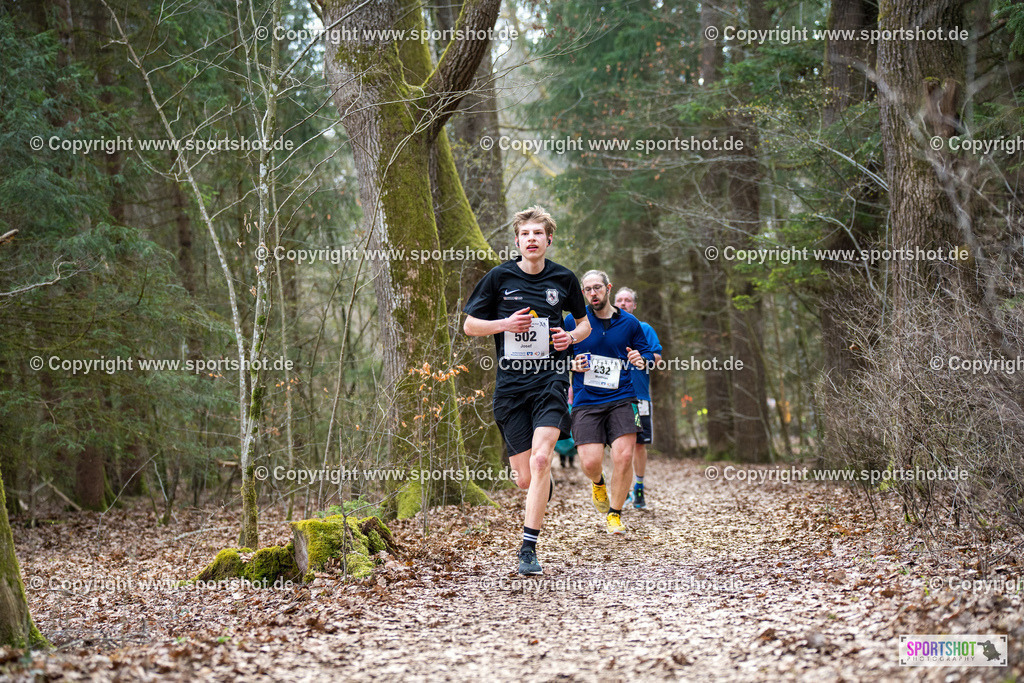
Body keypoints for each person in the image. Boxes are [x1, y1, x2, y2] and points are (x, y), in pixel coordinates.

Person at [463, 206, 591, 575]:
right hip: (510, 387)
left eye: (538, 233)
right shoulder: (498, 278)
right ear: (517, 240)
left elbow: (583, 325)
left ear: (549, 240)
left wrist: (569, 336)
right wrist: (505, 324)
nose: (531, 239)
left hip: (550, 378)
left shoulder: (564, 279)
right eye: (525, 234)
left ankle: (528, 549)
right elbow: (471, 326)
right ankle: (539, 485)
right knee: (524, 477)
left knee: (540, 461)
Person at [564, 271, 653, 534]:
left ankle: (615, 513)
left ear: (608, 288)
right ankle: (598, 483)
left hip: (622, 398)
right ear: (583, 293)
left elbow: (646, 352)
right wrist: (571, 364)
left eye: (598, 288)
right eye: (588, 289)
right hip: (586, 400)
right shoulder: (574, 321)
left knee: (624, 456)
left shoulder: (629, 322)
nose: (593, 293)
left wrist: (640, 358)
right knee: (590, 463)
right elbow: (557, 356)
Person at [613, 287, 662, 510]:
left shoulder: (644, 329)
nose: (623, 303)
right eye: (619, 300)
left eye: (628, 300)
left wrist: (642, 359)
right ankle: (622, 489)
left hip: (638, 396)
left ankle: (639, 488)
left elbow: (657, 357)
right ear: (613, 303)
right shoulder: (609, 329)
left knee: (639, 446)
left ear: (634, 305)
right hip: (611, 396)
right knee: (619, 447)